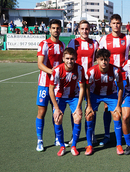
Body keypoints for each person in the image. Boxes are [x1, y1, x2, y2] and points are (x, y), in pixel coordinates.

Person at [99, 14, 130, 146]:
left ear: (121, 24)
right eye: (113, 23)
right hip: (108, 77)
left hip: (124, 76)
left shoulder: (127, 38)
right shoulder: (104, 39)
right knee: (107, 106)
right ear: (110, 24)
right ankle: (107, 135)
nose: (116, 25)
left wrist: (127, 61)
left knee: (125, 107)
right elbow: (100, 56)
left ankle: (127, 135)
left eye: (118, 23)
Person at [84, 48, 124, 155]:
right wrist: (88, 105)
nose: (104, 62)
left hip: (110, 95)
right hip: (95, 95)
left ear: (109, 60)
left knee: (117, 115)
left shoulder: (116, 70)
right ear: (97, 60)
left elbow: (121, 88)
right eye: (101, 59)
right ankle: (89, 145)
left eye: (106, 59)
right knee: (89, 115)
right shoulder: (91, 71)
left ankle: (119, 145)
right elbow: (86, 88)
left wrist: (119, 105)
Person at [35, 19, 66, 152]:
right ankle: (40, 140)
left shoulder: (63, 45)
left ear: (60, 29)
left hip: (57, 85)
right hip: (44, 84)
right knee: (42, 112)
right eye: (53, 28)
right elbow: (40, 64)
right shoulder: (44, 44)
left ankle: (57, 138)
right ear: (49, 29)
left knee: (57, 112)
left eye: (58, 28)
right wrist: (53, 72)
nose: (56, 30)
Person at [49, 47, 85, 156]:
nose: (70, 61)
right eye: (68, 58)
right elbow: (51, 89)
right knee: (57, 118)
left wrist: (78, 106)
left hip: (74, 96)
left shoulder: (79, 69)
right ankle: (62, 146)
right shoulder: (57, 70)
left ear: (75, 59)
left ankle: (73, 145)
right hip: (60, 97)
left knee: (78, 117)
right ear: (63, 59)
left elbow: (82, 88)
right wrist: (56, 108)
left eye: (72, 59)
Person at [67, 20, 99, 144]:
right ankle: (74, 135)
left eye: (87, 29)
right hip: (76, 81)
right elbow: (68, 59)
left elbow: (98, 59)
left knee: (90, 108)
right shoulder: (73, 42)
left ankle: (91, 134)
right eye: (82, 29)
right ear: (78, 30)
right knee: (76, 108)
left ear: (90, 30)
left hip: (90, 81)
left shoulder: (94, 43)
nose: (85, 31)